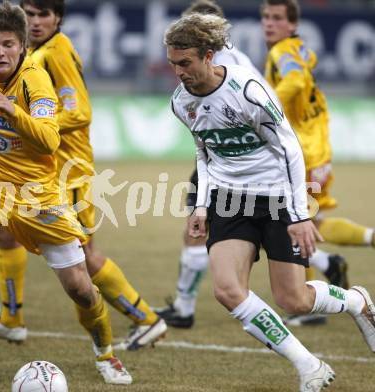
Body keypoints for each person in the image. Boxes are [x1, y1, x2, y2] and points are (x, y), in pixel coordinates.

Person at [164, 12, 375, 391]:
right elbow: (204, 153)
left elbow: (290, 147)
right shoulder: (181, 103)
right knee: (228, 290)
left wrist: (297, 214)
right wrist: (200, 205)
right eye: (173, 63)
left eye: (185, 63)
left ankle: (357, 301)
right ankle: (309, 365)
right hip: (228, 201)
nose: (178, 72)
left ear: (209, 56)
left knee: (293, 300)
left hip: (276, 196)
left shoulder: (247, 90)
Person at [0, 1, 131, 384]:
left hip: (36, 195)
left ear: (23, 46)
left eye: (8, 44)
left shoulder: (35, 80)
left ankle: (106, 355)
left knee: (80, 288)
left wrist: (11, 111)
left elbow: (48, 139)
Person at [0, 0, 167, 351]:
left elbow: (80, 111)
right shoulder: (34, 52)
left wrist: (37, 125)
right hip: (41, 169)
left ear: (58, 18)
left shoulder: (56, 51)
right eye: (29, 14)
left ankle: (146, 318)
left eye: (44, 15)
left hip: (70, 171)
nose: (35, 22)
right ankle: (11, 320)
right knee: (6, 233)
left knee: (81, 254)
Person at [156, 0, 347, 330]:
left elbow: (270, 105)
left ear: (207, 47)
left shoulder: (238, 70)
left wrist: (269, 112)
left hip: (259, 163)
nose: (180, 68)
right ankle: (324, 262)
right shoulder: (196, 84)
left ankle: (185, 306)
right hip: (229, 161)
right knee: (226, 242)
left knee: (284, 282)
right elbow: (203, 143)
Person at [261, 0, 374, 325]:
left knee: (293, 223)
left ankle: (307, 301)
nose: (270, 23)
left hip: (302, 154)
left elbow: (295, 82)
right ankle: (351, 251)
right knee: (308, 221)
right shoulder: (298, 48)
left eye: (277, 18)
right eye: (266, 17)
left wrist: (264, 106)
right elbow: (306, 66)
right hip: (319, 149)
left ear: (291, 24)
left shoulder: (282, 51)